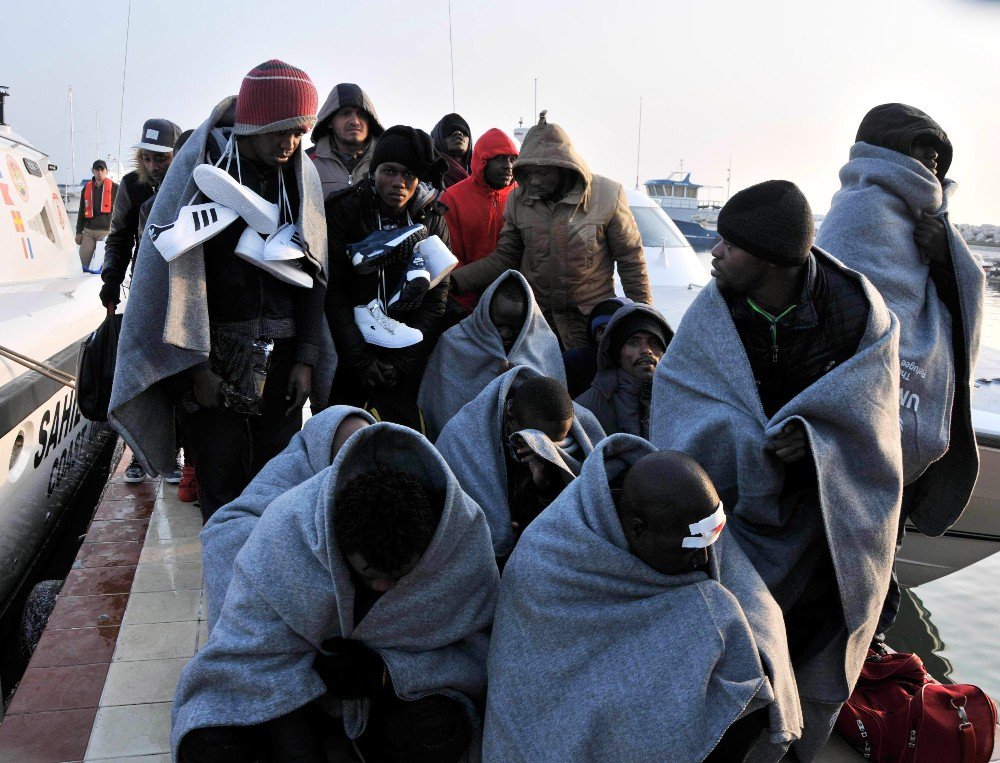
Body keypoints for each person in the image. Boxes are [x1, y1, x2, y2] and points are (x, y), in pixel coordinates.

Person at [651, 180, 903, 758]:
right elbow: (684, 401)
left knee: (816, 635)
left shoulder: (854, 313)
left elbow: (870, 419)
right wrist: (749, 440)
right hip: (739, 511)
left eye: (728, 246)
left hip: (824, 515)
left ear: (767, 258)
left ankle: (792, 738)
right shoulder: (716, 310)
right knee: (736, 630)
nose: (714, 254)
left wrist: (815, 439)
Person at [172, 423, 499, 763]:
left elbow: (481, 653)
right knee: (209, 746)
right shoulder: (289, 528)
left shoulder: (461, 543)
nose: (384, 587)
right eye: (370, 574)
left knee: (436, 731)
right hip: (295, 685)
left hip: (393, 696)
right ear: (338, 549)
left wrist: (387, 673)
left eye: (399, 575)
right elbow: (247, 651)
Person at [108, 60, 335, 522]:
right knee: (222, 480)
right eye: (279, 131)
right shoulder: (198, 171)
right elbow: (175, 277)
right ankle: (225, 583)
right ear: (253, 123)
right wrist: (194, 370)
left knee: (279, 481)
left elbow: (314, 276)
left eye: (298, 133)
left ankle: (264, 583)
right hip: (214, 356)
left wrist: (307, 358)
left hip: (285, 355)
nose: (289, 144)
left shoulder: (300, 176)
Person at [484, 437, 802, 761]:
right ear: (638, 531)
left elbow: (756, 608)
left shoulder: (691, 522)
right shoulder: (543, 564)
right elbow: (532, 697)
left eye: (712, 544)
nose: (707, 559)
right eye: (693, 548)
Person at [815, 103, 986, 637]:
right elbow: (836, 308)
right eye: (922, 150)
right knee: (843, 554)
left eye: (939, 155)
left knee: (884, 552)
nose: (932, 164)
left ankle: (872, 646)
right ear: (888, 150)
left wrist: (943, 255)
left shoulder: (933, 225)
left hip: (907, 424)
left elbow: (962, 297)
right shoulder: (857, 212)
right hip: (858, 423)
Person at [449, 112, 651, 349]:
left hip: (592, 326)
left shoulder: (608, 195)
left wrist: (644, 322)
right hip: (538, 325)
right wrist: (451, 282)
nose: (533, 180)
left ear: (564, 167)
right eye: (528, 172)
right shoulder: (518, 200)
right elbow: (504, 257)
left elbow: (631, 261)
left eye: (542, 173)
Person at [200, 405, 375, 627]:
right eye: (344, 453)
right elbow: (223, 534)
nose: (354, 465)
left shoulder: (380, 478)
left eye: (363, 452)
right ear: (321, 449)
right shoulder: (291, 470)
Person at [324, 125, 449, 430]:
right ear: (373, 170)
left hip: (407, 361)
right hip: (352, 356)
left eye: (408, 175)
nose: (398, 183)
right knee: (341, 447)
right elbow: (334, 293)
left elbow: (437, 299)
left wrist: (403, 363)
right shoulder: (345, 209)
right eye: (389, 171)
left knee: (402, 448)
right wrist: (360, 360)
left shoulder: (433, 218)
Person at [436, 367, 605, 565]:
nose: (549, 448)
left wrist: (545, 486)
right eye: (538, 440)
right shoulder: (462, 439)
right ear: (510, 417)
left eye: (557, 443)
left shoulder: (572, 435)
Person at [99, 119, 183, 485]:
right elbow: (118, 237)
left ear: (176, 156)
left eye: (161, 159)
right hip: (145, 290)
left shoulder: (189, 182)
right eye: (146, 158)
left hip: (184, 289)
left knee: (179, 370)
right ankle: (139, 452)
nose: (152, 166)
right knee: (138, 370)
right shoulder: (131, 186)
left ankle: (176, 452)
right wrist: (111, 280)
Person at [418, 270, 565, 440]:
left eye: (515, 327)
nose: (506, 333)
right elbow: (438, 413)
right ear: (485, 314)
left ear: (527, 321)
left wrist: (515, 388)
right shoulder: (454, 343)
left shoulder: (544, 345)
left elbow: (556, 417)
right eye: (499, 325)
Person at [439, 128, 519, 316]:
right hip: (468, 304)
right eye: (500, 159)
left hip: (514, 304)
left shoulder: (521, 197)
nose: (508, 166)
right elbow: (451, 257)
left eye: (512, 159)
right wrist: (466, 307)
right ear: (483, 161)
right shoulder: (453, 198)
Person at [576, 302, 672, 438]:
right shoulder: (586, 409)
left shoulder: (681, 401)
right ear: (617, 354)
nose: (646, 350)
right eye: (634, 342)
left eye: (654, 342)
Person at [306, 83, 384, 199]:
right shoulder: (307, 162)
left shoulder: (385, 162)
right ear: (329, 121)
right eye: (346, 113)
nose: (355, 121)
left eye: (361, 114)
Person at [561, 296, 630, 397]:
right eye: (602, 331)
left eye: (614, 331)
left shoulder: (639, 364)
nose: (607, 338)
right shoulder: (573, 362)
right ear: (593, 334)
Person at [76, 159, 118, 269]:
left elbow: (122, 211)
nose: (99, 172)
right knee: (81, 265)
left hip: (106, 232)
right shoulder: (86, 188)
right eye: (97, 169)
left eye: (102, 169)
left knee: (101, 267)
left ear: (106, 171)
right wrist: (78, 232)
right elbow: (81, 212)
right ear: (93, 171)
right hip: (89, 232)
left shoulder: (116, 188)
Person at [431, 112, 473, 188]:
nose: (458, 133)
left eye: (464, 131)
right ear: (437, 138)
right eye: (449, 131)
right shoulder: (428, 175)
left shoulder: (482, 175)